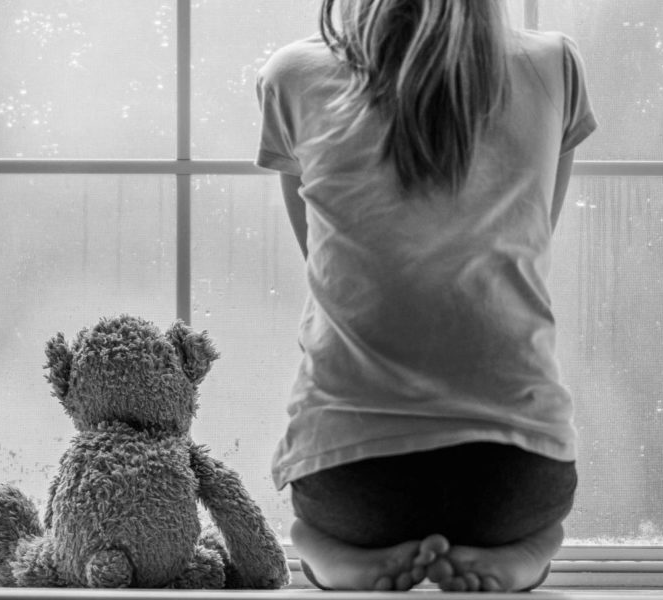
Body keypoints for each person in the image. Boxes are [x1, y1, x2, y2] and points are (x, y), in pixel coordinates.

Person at [255, 0, 597, 592]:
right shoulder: (553, 64)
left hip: (353, 485)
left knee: (312, 528)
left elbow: (326, 265)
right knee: (542, 528)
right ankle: (531, 554)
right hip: (515, 480)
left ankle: (328, 555)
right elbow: (532, 239)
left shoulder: (291, 75)